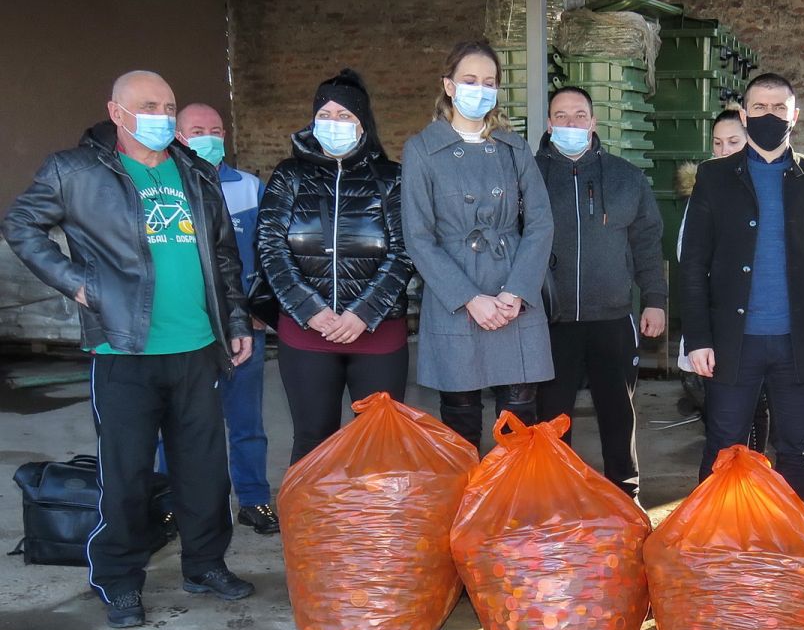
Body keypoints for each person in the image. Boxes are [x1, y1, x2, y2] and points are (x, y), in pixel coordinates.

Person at [3, 70, 254, 628]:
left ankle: (206, 564)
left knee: (205, 469)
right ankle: (117, 580)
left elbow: (223, 256)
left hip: (197, 345)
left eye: (168, 105)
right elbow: (21, 225)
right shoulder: (75, 171)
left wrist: (235, 320)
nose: (163, 115)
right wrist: (76, 282)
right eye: (149, 105)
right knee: (126, 474)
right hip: (124, 350)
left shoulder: (194, 170)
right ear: (117, 112)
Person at [680, 73, 804, 504]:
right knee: (723, 448)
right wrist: (697, 338)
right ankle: (712, 541)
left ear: (795, 116)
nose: (769, 115)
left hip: (798, 342)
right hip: (733, 342)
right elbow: (693, 264)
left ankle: (794, 546)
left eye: (779, 108)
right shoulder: (714, 177)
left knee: (795, 449)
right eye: (759, 108)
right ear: (744, 114)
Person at [400, 41, 554, 449]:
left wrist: (517, 291)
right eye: (470, 80)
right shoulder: (421, 150)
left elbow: (540, 223)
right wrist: (470, 298)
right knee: (461, 419)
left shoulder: (514, 147)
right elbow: (418, 236)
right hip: (456, 296)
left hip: (512, 296)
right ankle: (467, 506)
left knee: (520, 423)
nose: (480, 89)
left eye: (489, 82)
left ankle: (515, 507)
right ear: (449, 86)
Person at [256, 69, 412, 464]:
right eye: (326, 115)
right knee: (313, 440)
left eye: (345, 117)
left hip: (377, 333)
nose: (334, 124)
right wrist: (312, 310)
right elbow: (271, 247)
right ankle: (311, 526)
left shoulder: (391, 179)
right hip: (308, 332)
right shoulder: (289, 176)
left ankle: (372, 526)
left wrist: (363, 312)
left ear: (363, 125)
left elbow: (405, 251)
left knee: (379, 444)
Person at [533, 86, 667, 501]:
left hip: (611, 318)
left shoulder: (626, 178)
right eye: (561, 116)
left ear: (593, 122)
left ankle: (626, 497)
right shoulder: (529, 176)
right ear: (549, 124)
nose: (570, 123)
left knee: (618, 415)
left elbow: (647, 242)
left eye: (579, 115)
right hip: (550, 321)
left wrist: (656, 300)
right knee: (551, 419)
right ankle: (556, 498)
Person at [175, 103, 277, 534]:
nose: (209, 137)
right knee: (179, 426)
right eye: (197, 129)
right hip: (185, 332)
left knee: (246, 423)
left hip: (241, 330)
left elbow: (269, 255)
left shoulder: (249, 188)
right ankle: (173, 503)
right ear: (178, 136)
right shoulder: (165, 187)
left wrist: (257, 312)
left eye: (215, 129)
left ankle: (253, 499)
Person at [674, 110, 771, 453]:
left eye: (734, 142)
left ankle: (754, 485)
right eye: (717, 143)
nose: (724, 150)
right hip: (722, 322)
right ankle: (718, 500)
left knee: (759, 414)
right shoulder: (708, 189)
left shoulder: (769, 186)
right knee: (723, 425)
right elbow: (690, 261)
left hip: (764, 324)